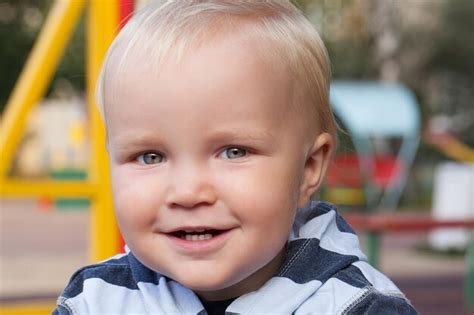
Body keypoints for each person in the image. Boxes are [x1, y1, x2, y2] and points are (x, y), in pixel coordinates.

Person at [54, 1, 417, 314]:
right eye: (150, 157)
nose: (188, 191)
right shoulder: (96, 300)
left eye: (233, 152)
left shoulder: (356, 307)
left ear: (309, 167)